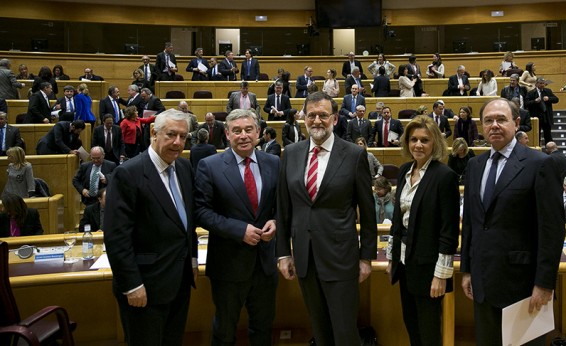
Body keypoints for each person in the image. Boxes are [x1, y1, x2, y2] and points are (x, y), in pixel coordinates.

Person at [460, 98, 565, 346]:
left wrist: (544, 283)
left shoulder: (539, 164)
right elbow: (472, 225)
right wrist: (466, 270)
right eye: (488, 120)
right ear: (481, 126)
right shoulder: (475, 165)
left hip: (523, 287)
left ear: (516, 123)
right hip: (483, 284)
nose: (494, 125)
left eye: (501, 119)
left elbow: (552, 229)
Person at [276, 91, 377, 346]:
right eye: (311, 115)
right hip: (305, 258)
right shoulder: (290, 153)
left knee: (345, 332)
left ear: (334, 119)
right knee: (320, 331)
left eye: (323, 115)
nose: (317, 121)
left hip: (341, 258)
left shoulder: (354, 155)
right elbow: (283, 208)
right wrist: (283, 253)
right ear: (303, 119)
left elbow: (367, 212)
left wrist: (366, 257)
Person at [104, 108, 197, 346]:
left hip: (178, 283)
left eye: (183, 136)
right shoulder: (128, 173)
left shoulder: (184, 168)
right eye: (171, 135)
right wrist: (132, 284)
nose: (178, 142)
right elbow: (117, 238)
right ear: (153, 134)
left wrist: (192, 260)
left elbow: (186, 223)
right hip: (144, 287)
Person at [194, 108, 279, 346]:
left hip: (265, 265)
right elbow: (201, 212)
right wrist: (238, 230)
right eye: (237, 131)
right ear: (227, 135)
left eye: (248, 130)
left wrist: (276, 222)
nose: (243, 135)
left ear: (258, 133)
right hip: (228, 265)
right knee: (224, 330)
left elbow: (283, 206)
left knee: (263, 329)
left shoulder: (273, 163)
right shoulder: (209, 166)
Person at [386, 114, 459, 346]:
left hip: (429, 268)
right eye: (413, 139)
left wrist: (441, 276)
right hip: (406, 264)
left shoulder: (444, 176)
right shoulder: (404, 170)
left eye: (425, 140)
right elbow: (398, 220)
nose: (418, 144)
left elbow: (448, 231)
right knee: (411, 324)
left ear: (434, 143)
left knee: (428, 332)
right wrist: (392, 257)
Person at [525, 77, 558, 145]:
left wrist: (549, 98)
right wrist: (534, 101)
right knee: (537, 134)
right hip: (536, 116)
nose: (542, 85)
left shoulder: (548, 91)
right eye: (541, 83)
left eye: (543, 83)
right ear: (536, 84)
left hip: (546, 116)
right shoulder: (531, 93)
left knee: (548, 134)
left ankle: (549, 149)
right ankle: (537, 147)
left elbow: (556, 99)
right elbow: (526, 103)